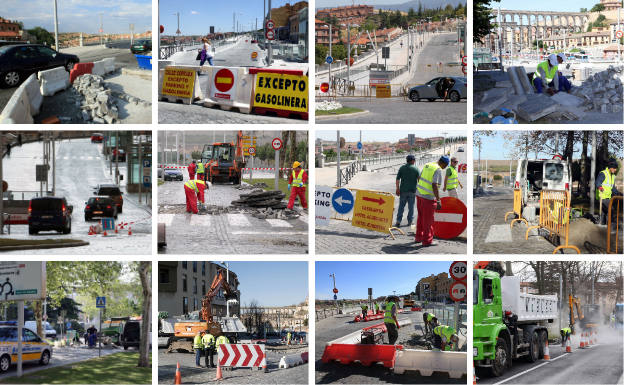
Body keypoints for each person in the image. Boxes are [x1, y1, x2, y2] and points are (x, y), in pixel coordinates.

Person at [415, 156, 449, 246]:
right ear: (443, 163)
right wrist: (438, 200)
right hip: (428, 198)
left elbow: (419, 178)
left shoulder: (427, 165)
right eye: (445, 165)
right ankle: (427, 241)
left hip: (419, 195)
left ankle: (419, 237)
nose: (445, 167)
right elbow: (434, 185)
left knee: (420, 218)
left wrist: (422, 189)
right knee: (428, 221)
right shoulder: (437, 169)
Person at [395, 154, 420, 228]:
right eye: (414, 160)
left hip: (403, 191)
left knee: (401, 206)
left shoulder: (402, 168)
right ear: (412, 161)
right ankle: (410, 221)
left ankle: (398, 221)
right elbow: (419, 180)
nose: (415, 161)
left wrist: (397, 189)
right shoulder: (416, 169)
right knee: (411, 207)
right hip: (412, 191)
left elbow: (397, 179)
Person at [596, 159, 621, 225]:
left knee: (605, 212)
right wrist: (600, 187)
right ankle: (610, 227)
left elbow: (612, 188)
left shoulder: (612, 176)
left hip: (608, 197)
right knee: (611, 210)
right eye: (615, 168)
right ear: (611, 167)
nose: (615, 170)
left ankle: (603, 227)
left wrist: (618, 193)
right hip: (602, 197)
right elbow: (597, 182)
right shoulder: (603, 173)